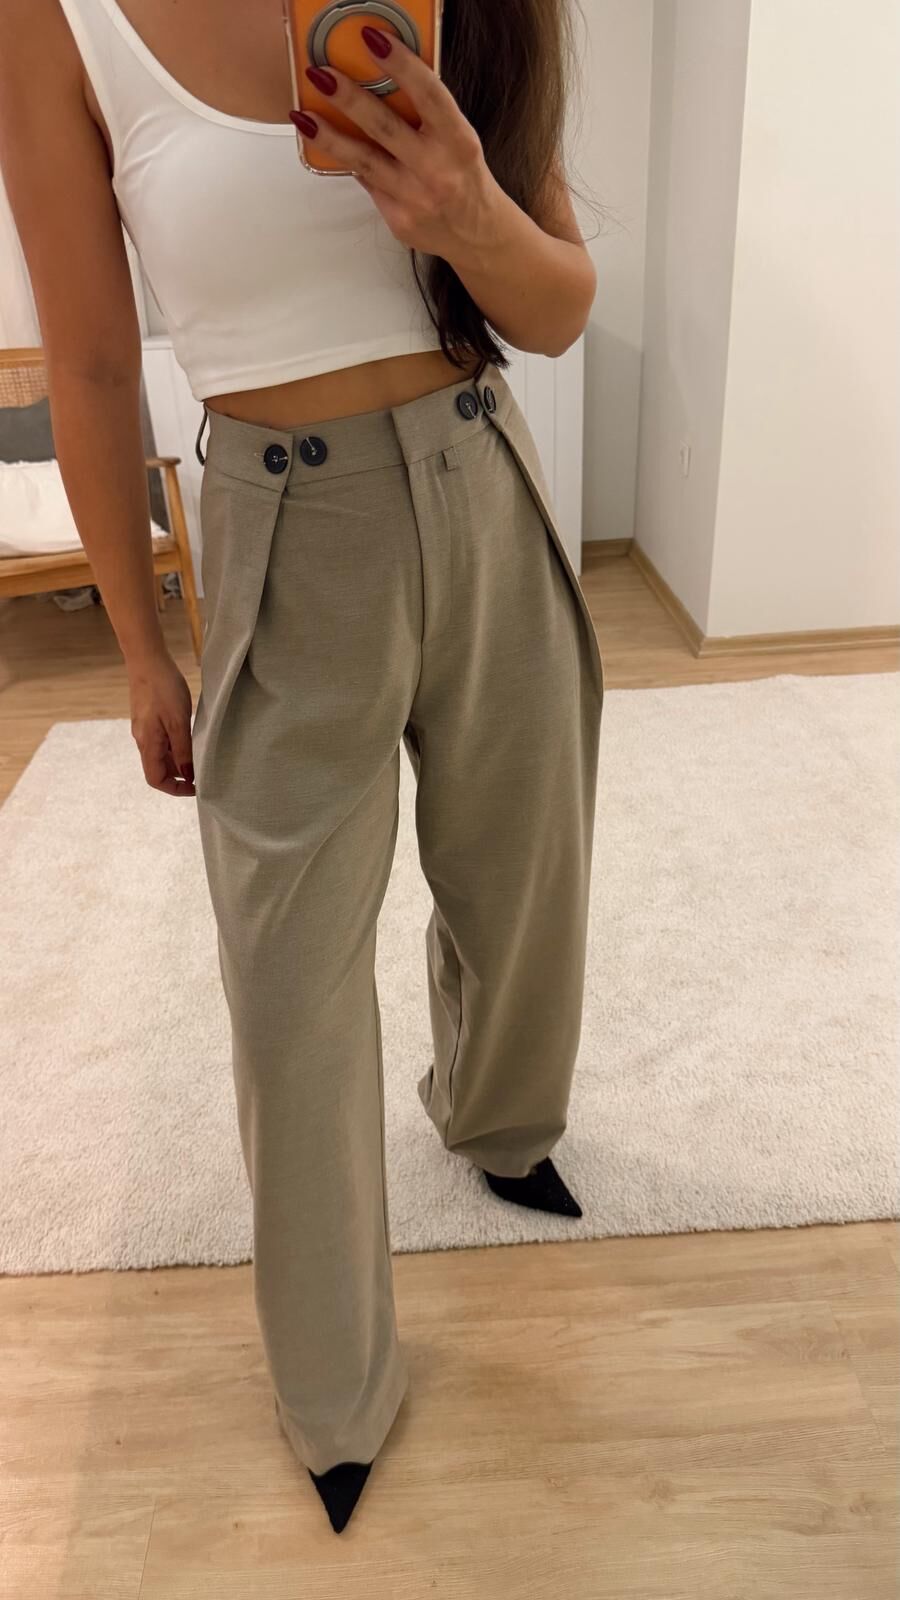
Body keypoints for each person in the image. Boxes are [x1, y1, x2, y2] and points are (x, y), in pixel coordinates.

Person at [0, 0, 606, 1534]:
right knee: (288, 978)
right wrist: (140, 644)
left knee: (522, 870)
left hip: (481, 471)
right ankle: (336, 1387)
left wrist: (466, 213)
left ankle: (500, 1122)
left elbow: (558, 308)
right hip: (278, 522)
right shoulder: (56, 22)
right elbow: (88, 362)